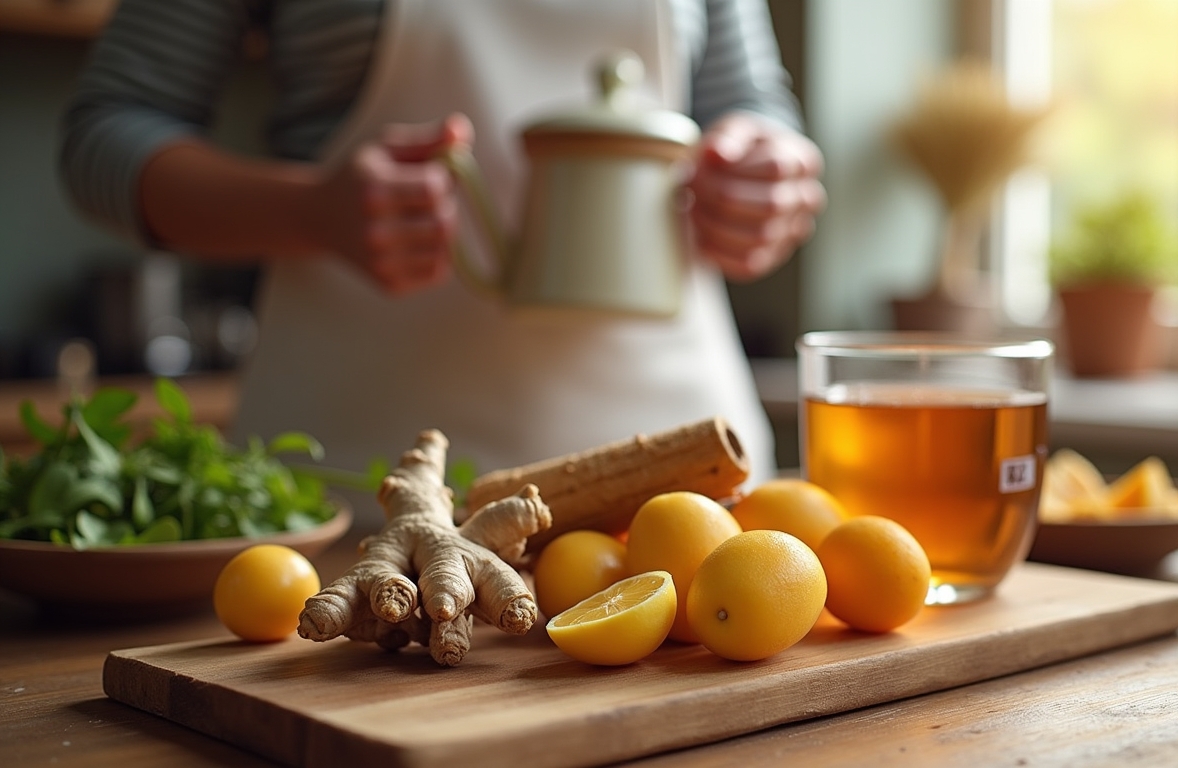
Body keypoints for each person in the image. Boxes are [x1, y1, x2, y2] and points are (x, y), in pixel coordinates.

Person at [60, 0, 825, 523]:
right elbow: (105, 134)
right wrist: (310, 212)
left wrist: (768, 172)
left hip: (681, 494)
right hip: (355, 489)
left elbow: (753, 104)